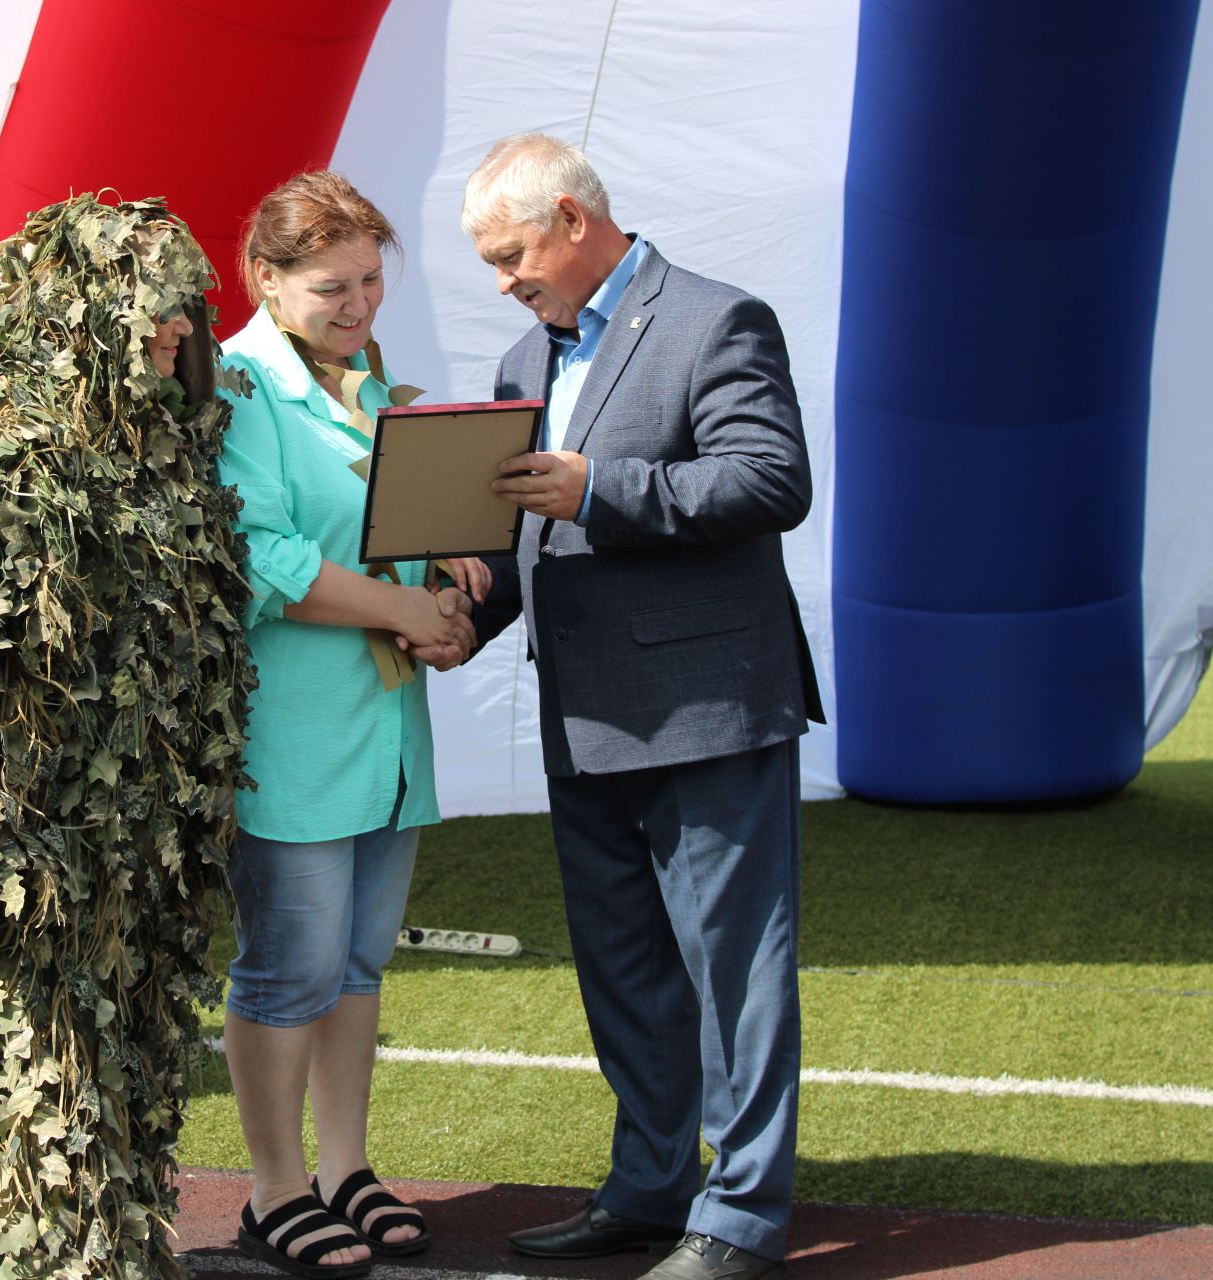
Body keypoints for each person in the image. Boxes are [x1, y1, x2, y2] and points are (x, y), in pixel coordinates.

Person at [0, 195, 255, 1280]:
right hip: (37, 844)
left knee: (125, 1088)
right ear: (85, 296)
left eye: (188, 303)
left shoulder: (165, 440)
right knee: (34, 1103)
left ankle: (110, 1254)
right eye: (157, 300)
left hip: (136, 843)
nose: (179, 325)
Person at [460, 134, 824, 1280]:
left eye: (512, 252)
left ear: (572, 218)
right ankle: (652, 1186)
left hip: (709, 708)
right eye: (490, 261)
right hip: (585, 717)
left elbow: (772, 479)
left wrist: (597, 488)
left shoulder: (718, 318)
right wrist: (446, 617)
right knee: (622, 966)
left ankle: (744, 1215)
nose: (504, 278)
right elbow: (520, 545)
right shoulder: (526, 357)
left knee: (732, 968)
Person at [213, 170, 488, 1279]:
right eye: (334, 286)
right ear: (268, 282)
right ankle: (275, 1189)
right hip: (292, 736)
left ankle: (345, 1167)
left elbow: (403, 546)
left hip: (383, 730)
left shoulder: (370, 388)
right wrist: (402, 603)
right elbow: (262, 560)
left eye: (373, 280)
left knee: (359, 961)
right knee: (289, 969)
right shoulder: (236, 386)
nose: (361, 302)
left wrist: (452, 592)